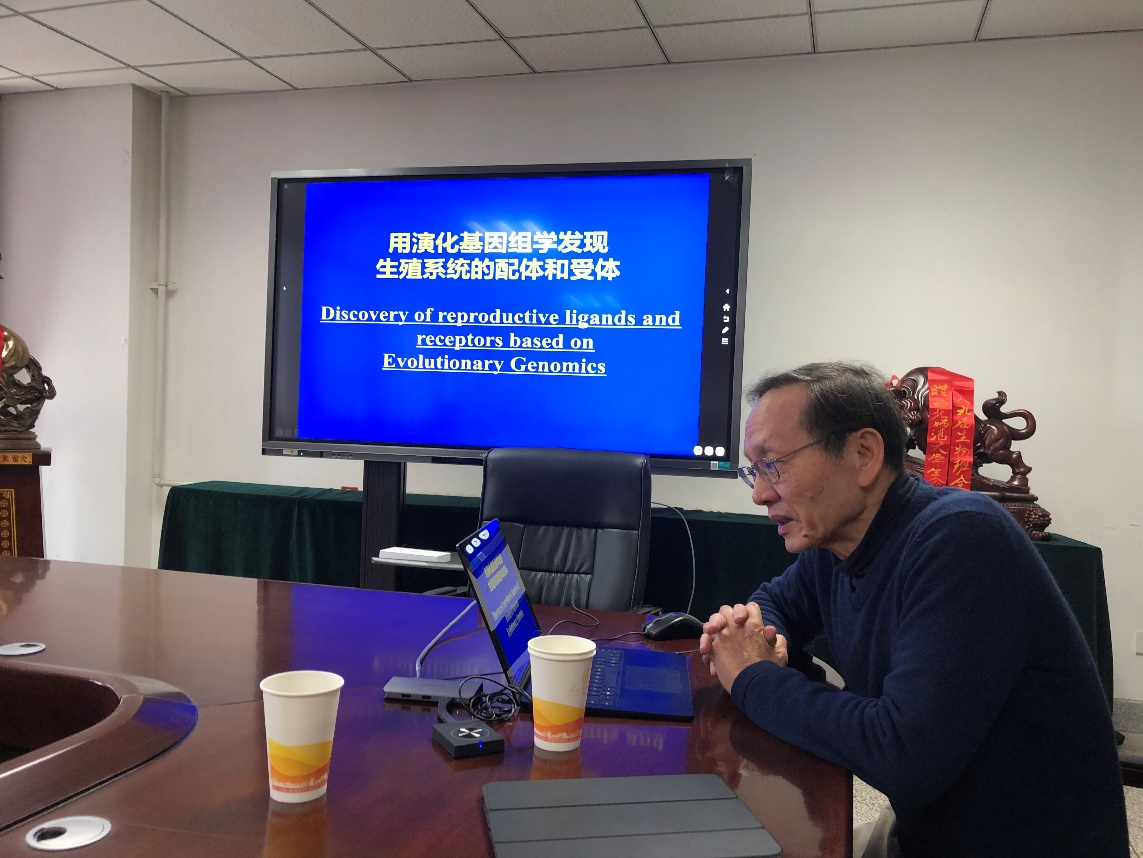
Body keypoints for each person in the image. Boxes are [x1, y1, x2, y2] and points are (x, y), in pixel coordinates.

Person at [699, 362, 1128, 857]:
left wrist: (751, 676)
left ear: (863, 454)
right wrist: (758, 635)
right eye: (753, 471)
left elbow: (902, 755)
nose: (759, 493)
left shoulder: (962, 538)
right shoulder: (836, 545)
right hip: (925, 835)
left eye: (774, 464)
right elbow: (775, 603)